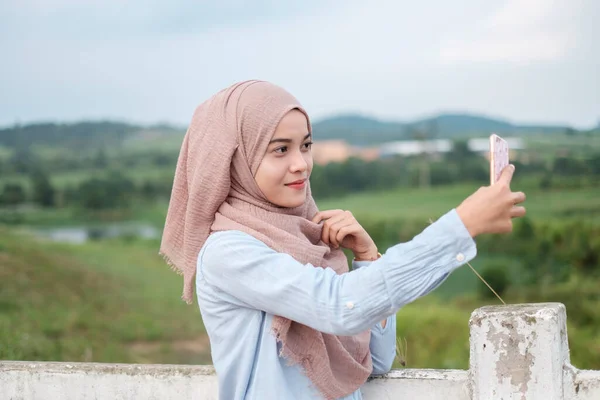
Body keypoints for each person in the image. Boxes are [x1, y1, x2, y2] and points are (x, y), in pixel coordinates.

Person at [159, 80, 526, 400]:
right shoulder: (229, 252)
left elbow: (375, 362)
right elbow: (338, 307)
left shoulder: (310, 243)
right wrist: (460, 226)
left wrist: (367, 256)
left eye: (305, 145)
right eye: (280, 149)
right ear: (236, 161)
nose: (301, 163)